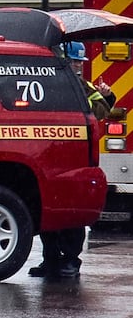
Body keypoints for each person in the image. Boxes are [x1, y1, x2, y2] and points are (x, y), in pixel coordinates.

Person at [30, 42, 116, 279]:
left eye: (80, 61)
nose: (77, 65)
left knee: (71, 211)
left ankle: (70, 260)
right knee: (50, 210)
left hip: (75, 154)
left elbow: (100, 110)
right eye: (74, 60)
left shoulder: (83, 86)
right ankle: (50, 260)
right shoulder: (47, 82)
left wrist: (107, 97)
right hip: (49, 153)